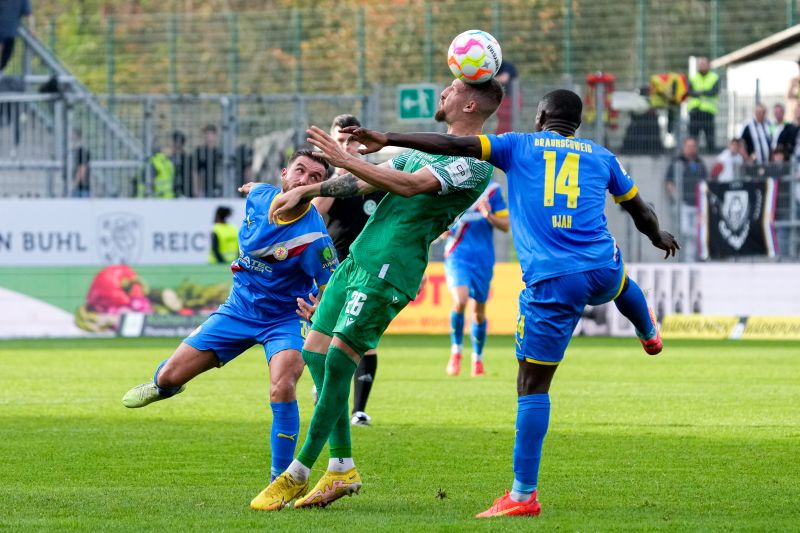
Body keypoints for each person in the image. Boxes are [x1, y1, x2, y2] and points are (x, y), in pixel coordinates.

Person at [337, 89, 679, 518]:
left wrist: (387, 137)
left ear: (540, 118)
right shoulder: (601, 156)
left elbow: (454, 144)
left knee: (532, 386)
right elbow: (639, 209)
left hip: (554, 281)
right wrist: (657, 236)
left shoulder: (518, 145)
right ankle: (648, 332)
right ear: (578, 122)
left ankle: (522, 496)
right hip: (601, 265)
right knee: (621, 280)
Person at [249, 78, 504, 512]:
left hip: (391, 267)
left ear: (471, 103)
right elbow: (365, 184)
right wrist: (311, 188)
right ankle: (343, 467)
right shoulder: (426, 148)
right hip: (359, 258)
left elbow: (407, 186)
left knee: (337, 359)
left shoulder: (476, 162)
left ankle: (297, 472)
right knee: (314, 352)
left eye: (453, 88)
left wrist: (346, 160)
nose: (443, 92)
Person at [122, 150, 338, 484]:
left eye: (315, 178)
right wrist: (252, 187)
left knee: (283, 387)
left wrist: (319, 310)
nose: (305, 180)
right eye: (300, 171)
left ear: (321, 189)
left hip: (285, 318)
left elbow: (331, 285)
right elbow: (254, 188)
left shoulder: (314, 238)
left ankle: (279, 480)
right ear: (283, 175)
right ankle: (164, 387)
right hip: (238, 310)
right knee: (168, 377)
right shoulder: (261, 195)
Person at [312, 114, 386, 426]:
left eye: (350, 140)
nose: (345, 146)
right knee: (326, 339)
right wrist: (335, 177)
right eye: (339, 141)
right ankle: (324, 398)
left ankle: (358, 409)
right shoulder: (328, 182)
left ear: (360, 143)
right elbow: (315, 215)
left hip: (367, 272)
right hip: (332, 271)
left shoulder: (379, 177)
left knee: (360, 339)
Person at [443, 179, 509, 377]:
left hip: (483, 259)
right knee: (460, 300)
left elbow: (505, 225)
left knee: (479, 312)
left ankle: (477, 358)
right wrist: (442, 230)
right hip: (457, 254)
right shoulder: (455, 184)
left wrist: (488, 215)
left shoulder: (492, 190)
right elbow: (440, 222)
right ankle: (456, 352)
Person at [665, 136, 707, 262]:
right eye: (688, 146)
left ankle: (691, 260)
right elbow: (669, 183)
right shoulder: (677, 162)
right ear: (684, 147)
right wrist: (676, 197)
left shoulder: (700, 163)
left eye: (693, 146)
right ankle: (684, 258)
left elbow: (705, 182)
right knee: (685, 231)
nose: (691, 149)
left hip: (697, 205)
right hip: (683, 205)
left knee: (694, 237)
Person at [687, 56, 719, 152]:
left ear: (709, 65)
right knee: (693, 137)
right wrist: (704, 92)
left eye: (704, 64)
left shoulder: (714, 77)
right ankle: (692, 154)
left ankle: (710, 153)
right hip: (695, 111)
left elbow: (714, 92)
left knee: (709, 137)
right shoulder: (693, 77)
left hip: (708, 111)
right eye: (700, 64)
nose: (702, 66)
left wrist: (699, 93)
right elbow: (689, 92)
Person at [0, 0, 31, 74]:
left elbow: (28, 14)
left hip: (9, 35)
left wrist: (31, 28)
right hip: (6, 34)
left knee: (4, 61)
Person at [193, 124, 223, 197]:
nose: (207, 136)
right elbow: (195, 172)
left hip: (218, 188)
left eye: (210, 134)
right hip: (203, 189)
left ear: (215, 136)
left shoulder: (220, 152)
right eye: (206, 134)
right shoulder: (199, 151)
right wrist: (196, 188)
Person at [494, 60, 520, 134]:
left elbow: (504, 79)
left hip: (512, 98)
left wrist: (488, 79)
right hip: (504, 98)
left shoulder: (506, 65)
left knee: (507, 119)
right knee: (503, 120)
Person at [170, 131, 193, 197]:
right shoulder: (170, 158)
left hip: (186, 190)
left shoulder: (187, 158)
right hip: (172, 190)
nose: (173, 144)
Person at [70, 128, 91, 198]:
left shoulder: (82, 151)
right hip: (78, 188)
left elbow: (82, 169)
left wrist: (74, 185)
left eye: (72, 135)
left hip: (81, 189)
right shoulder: (74, 151)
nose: (71, 138)